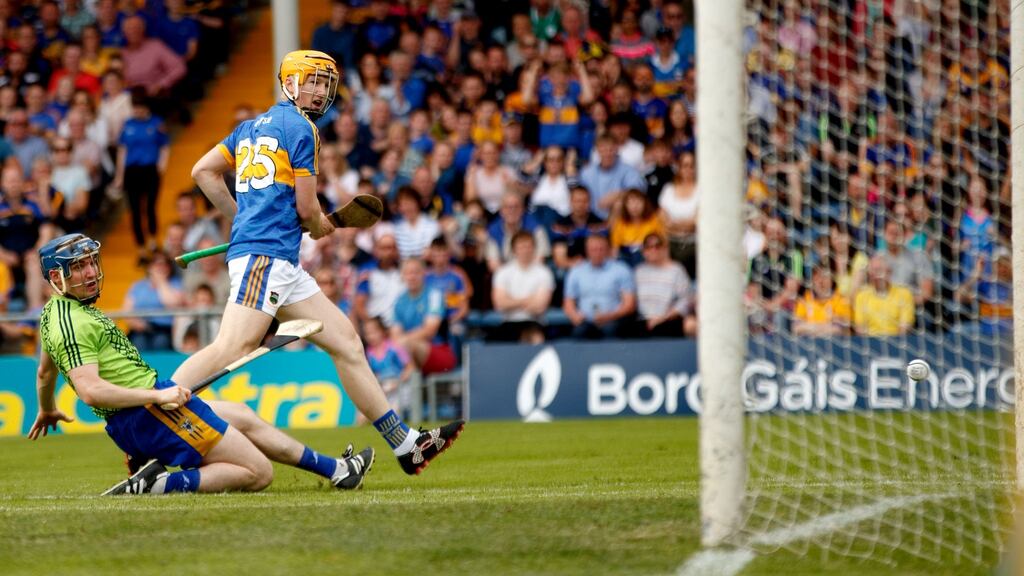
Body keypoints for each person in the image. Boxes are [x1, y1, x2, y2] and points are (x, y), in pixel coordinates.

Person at [172, 50, 463, 476]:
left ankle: (405, 444)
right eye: (311, 81)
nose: (320, 90)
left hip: (280, 260)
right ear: (289, 83)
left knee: (346, 342)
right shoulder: (302, 129)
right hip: (265, 257)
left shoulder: (248, 127)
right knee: (231, 347)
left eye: (325, 83)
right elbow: (308, 210)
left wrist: (242, 217)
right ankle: (153, 416)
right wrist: (319, 224)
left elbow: (204, 171)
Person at [28, 233, 375, 495]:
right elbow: (91, 391)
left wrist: (46, 409)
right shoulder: (73, 323)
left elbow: (46, 372)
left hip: (146, 409)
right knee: (258, 473)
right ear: (56, 277)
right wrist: (158, 398)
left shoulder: (52, 315)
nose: (90, 272)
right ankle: (159, 485)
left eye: (90, 262)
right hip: (147, 412)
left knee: (240, 414)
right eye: (78, 267)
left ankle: (338, 471)